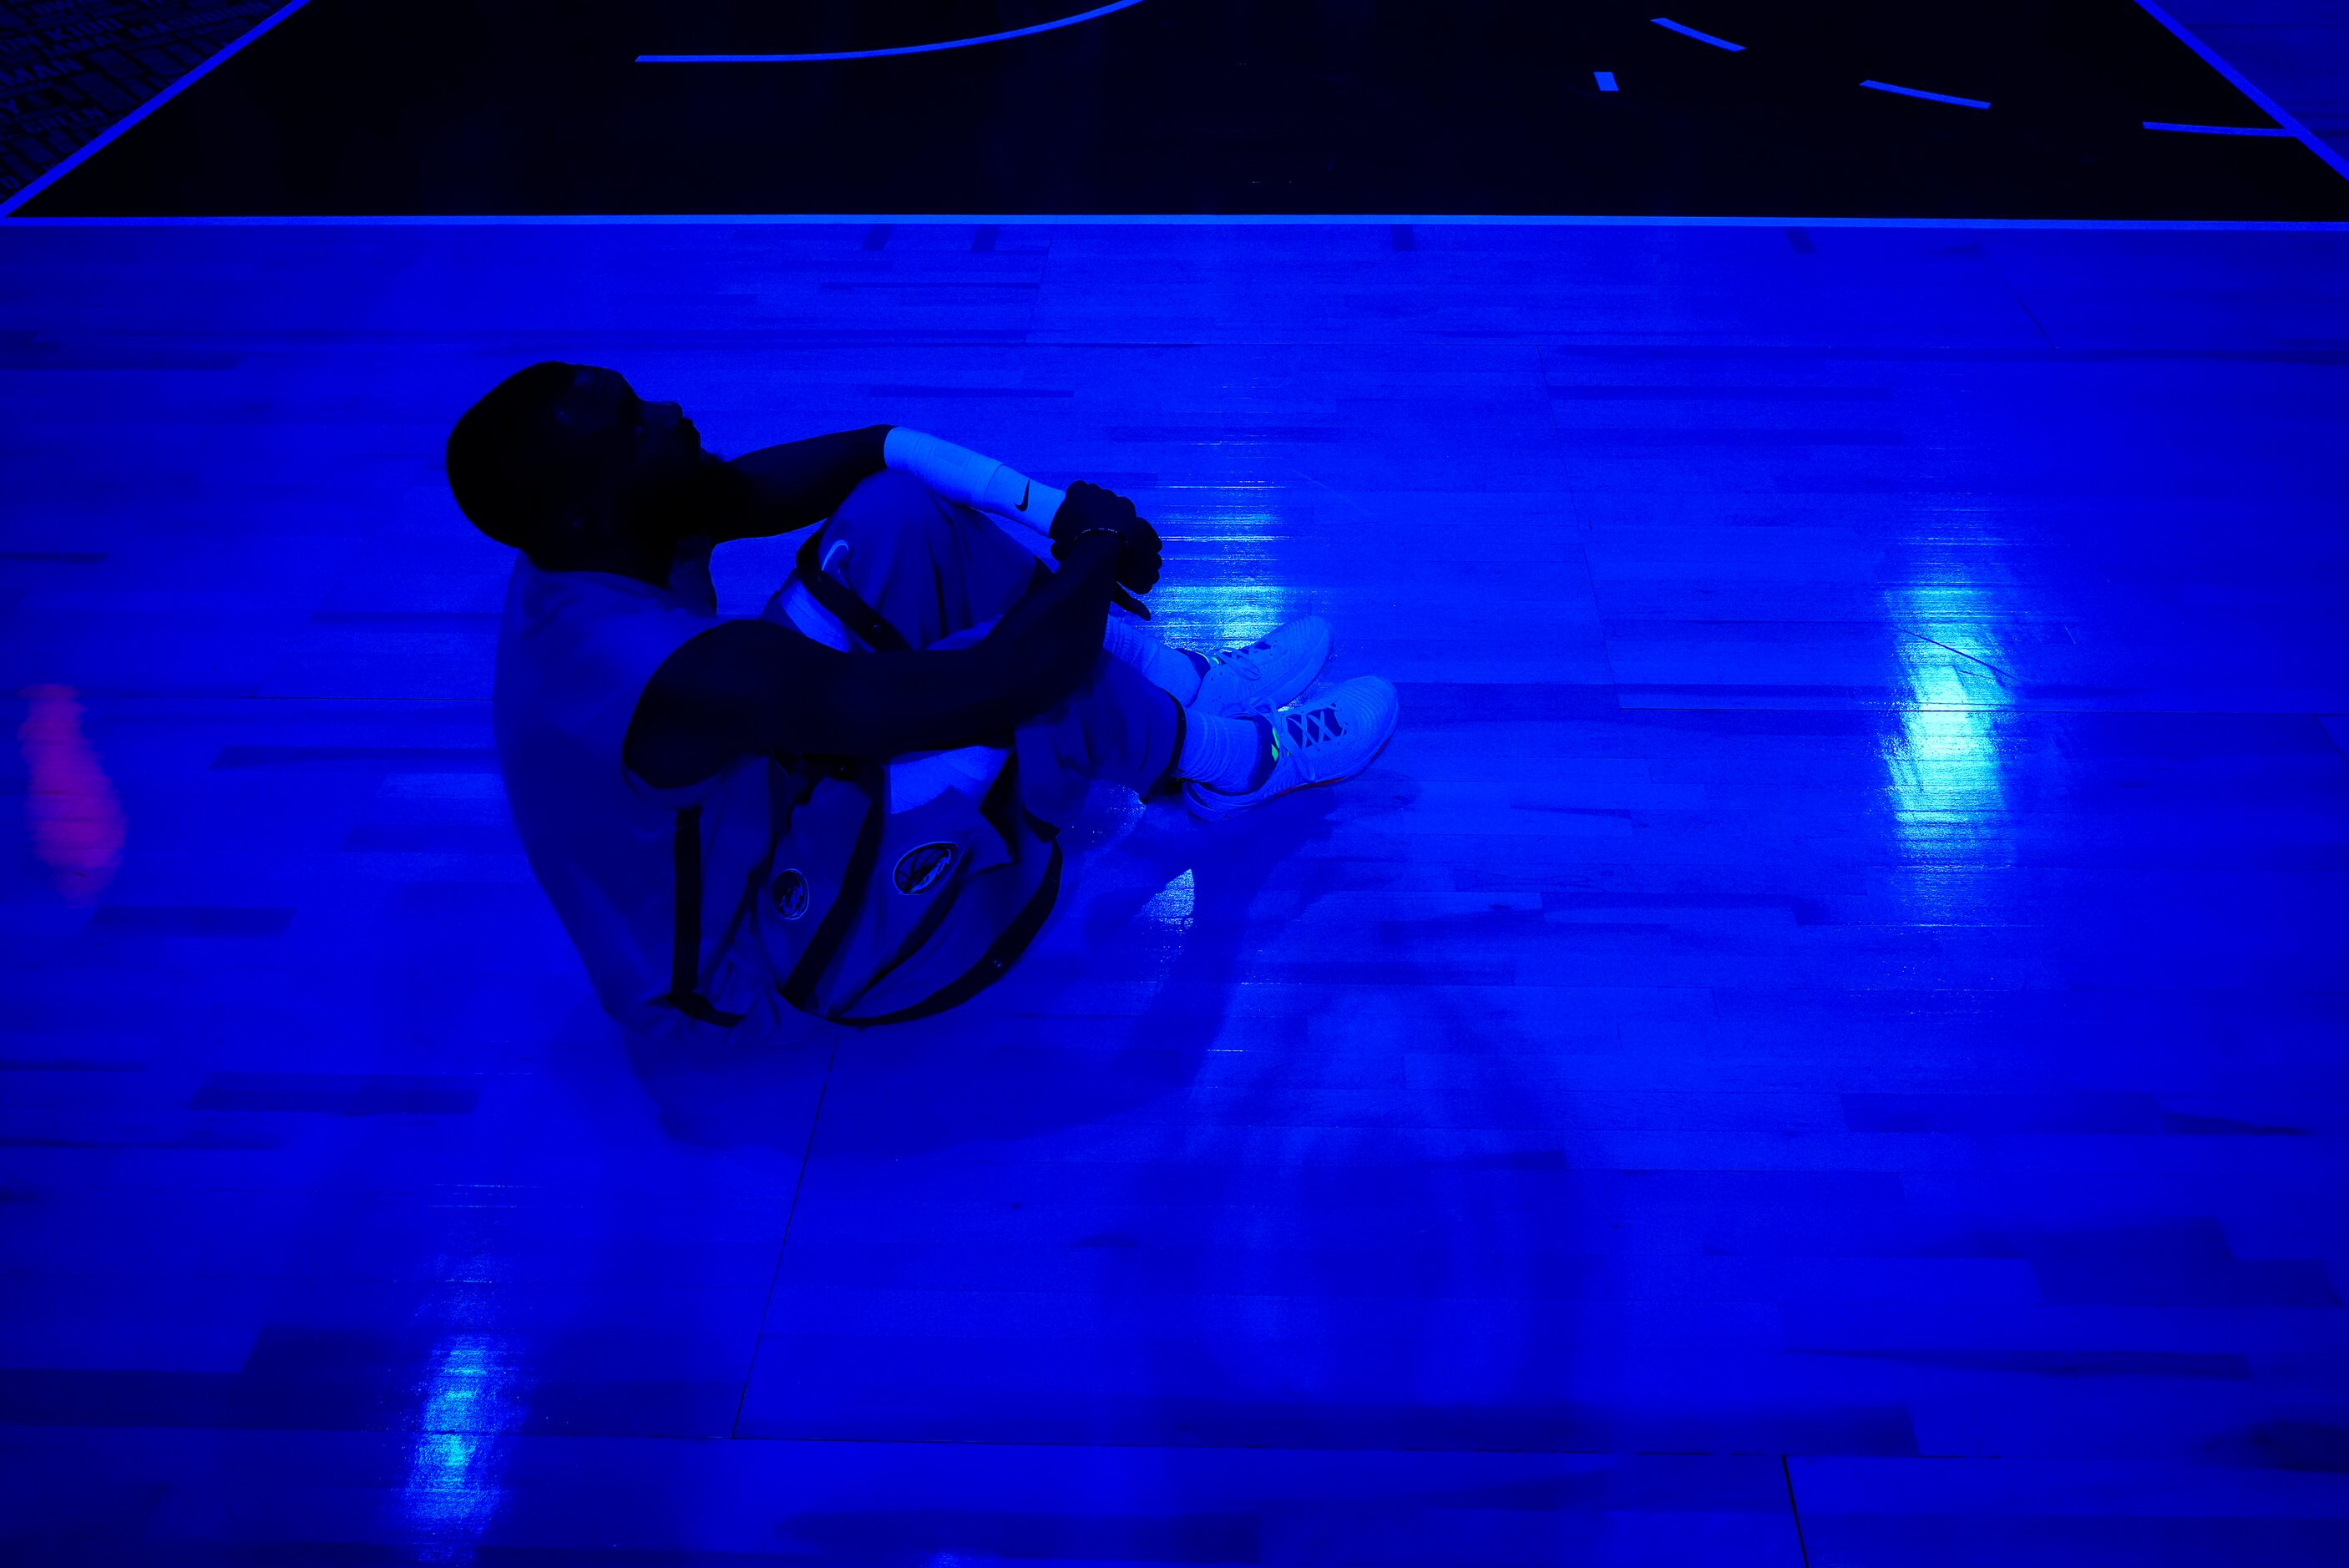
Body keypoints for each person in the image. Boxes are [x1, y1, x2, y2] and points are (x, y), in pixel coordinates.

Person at [444, 362, 1398, 1038]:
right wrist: (1097, 545)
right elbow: (1001, 681)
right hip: (761, 956)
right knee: (1029, 689)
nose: (666, 409)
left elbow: (878, 451)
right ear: (582, 504)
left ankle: (1188, 690)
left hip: (757, 784)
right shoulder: (679, 675)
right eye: (631, 425)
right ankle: (1237, 765)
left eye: (634, 396)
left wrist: (1053, 508)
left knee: (894, 516)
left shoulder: (586, 544)